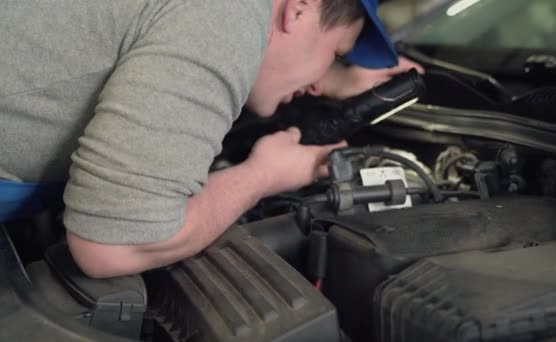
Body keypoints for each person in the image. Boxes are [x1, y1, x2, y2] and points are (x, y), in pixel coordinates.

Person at [0, 0, 422, 278]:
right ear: (299, 9)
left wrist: (330, 78)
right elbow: (113, 244)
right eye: (338, 52)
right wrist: (263, 176)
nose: (318, 81)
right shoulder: (228, 18)